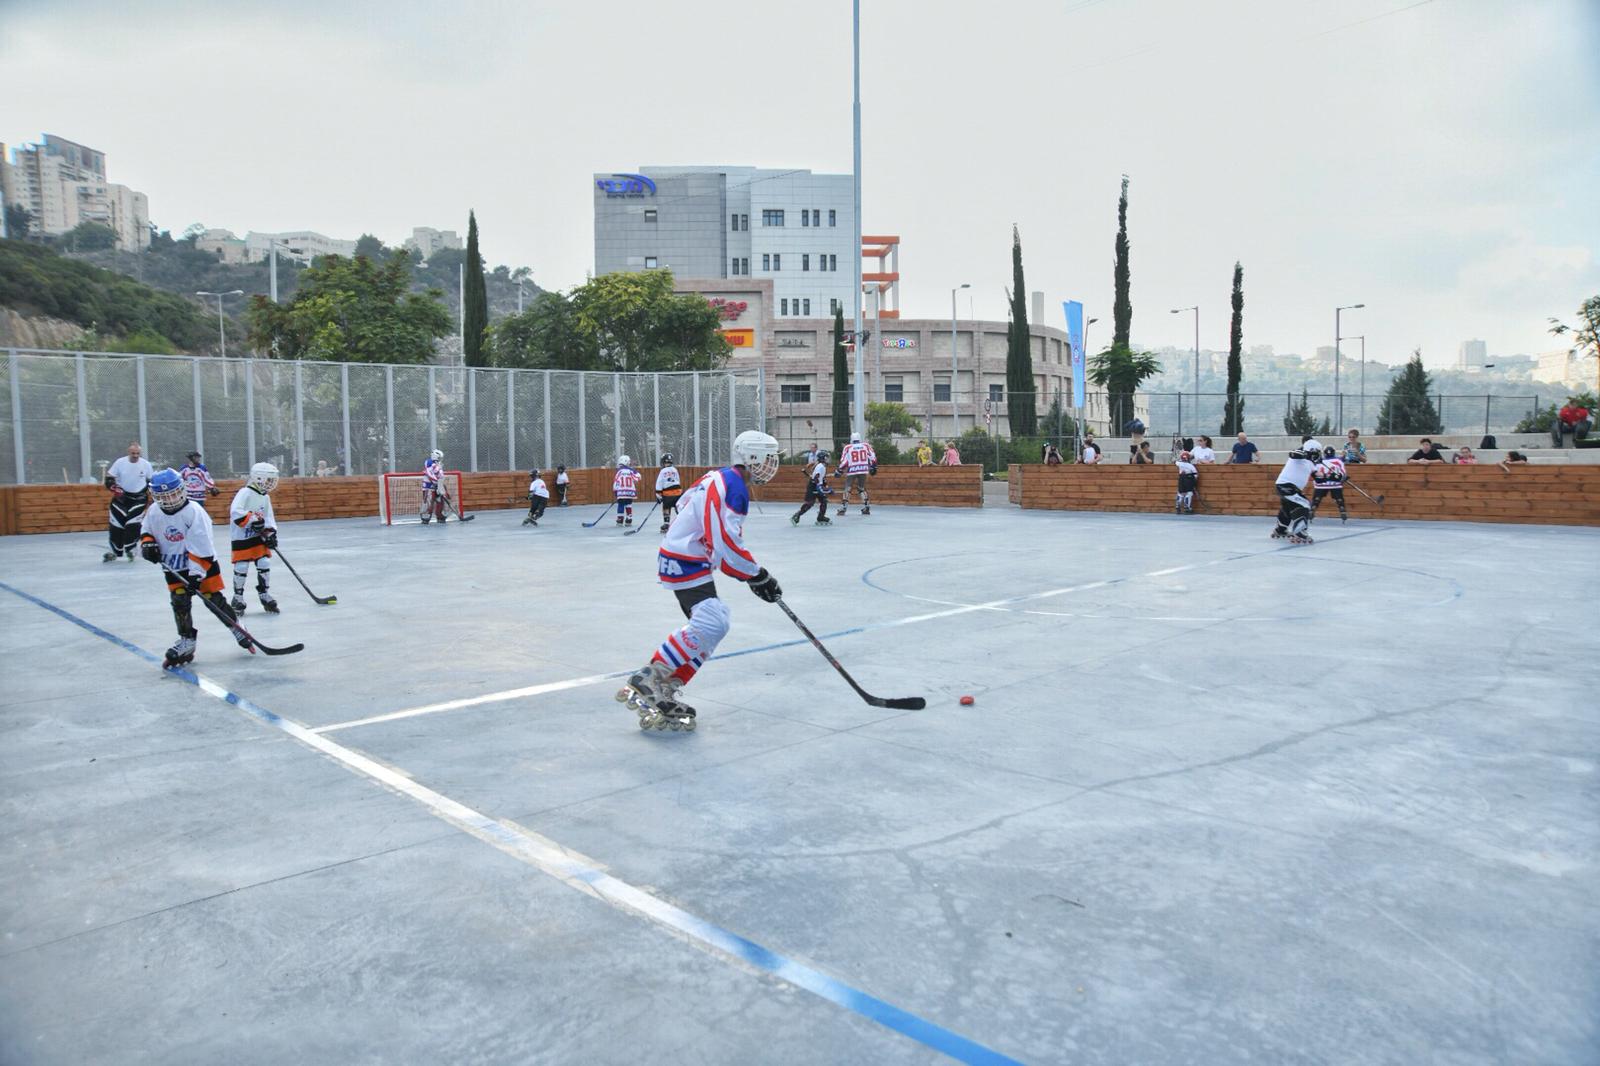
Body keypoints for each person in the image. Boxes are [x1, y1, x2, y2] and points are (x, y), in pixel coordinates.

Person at [617, 430, 783, 732]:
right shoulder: (734, 487)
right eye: (769, 458)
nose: (772, 465)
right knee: (711, 622)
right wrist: (758, 575)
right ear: (752, 456)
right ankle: (650, 677)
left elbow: (689, 508)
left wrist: (749, 575)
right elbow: (727, 543)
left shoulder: (722, 478)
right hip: (684, 558)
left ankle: (667, 683)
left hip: (685, 555)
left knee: (716, 621)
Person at [139, 468, 246, 668]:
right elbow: (146, 530)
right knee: (179, 601)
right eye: (163, 496)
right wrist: (147, 543)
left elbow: (202, 545)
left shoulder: (194, 512)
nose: (169, 500)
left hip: (201, 564)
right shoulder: (153, 511)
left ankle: (236, 628)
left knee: (213, 600)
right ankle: (187, 640)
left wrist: (196, 575)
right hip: (173, 566)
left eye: (173, 494)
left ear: (182, 490)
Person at [229, 462, 280, 614]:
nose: (271, 483)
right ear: (258, 478)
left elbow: (268, 517)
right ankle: (237, 597)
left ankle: (264, 593)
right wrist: (252, 520)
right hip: (242, 537)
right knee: (241, 566)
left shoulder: (265, 497)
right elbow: (236, 512)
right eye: (268, 479)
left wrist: (271, 533)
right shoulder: (245, 492)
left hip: (258, 538)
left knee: (264, 562)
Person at [103, 441, 155, 562]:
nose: (135, 455)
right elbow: (109, 478)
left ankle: (131, 549)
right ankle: (114, 551)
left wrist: (154, 497)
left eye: (137, 453)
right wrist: (114, 487)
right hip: (121, 498)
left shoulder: (146, 464)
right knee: (116, 525)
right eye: (133, 453)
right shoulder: (120, 462)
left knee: (133, 524)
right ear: (128, 452)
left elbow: (151, 481)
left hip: (139, 498)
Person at [1271, 438, 1322, 545]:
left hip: (1289, 487)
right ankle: (1299, 532)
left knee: (1287, 507)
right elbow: (1293, 454)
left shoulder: (1311, 464)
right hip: (1286, 486)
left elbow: (1319, 478)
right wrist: (1307, 454)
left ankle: (1281, 529)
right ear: (1312, 451)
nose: (1319, 455)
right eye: (1317, 452)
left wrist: (1335, 477)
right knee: (1304, 504)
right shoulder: (1298, 456)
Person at [836, 431, 877, 516]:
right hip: (863, 469)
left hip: (852, 470)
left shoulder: (848, 447)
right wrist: (873, 466)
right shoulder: (866, 445)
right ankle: (866, 506)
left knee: (848, 487)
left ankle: (844, 507)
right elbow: (872, 457)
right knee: (861, 488)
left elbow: (845, 461)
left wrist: (839, 470)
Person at [791, 448, 833, 526]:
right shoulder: (820, 466)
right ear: (823, 458)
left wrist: (826, 486)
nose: (828, 460)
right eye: (826, 458)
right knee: (809, 503)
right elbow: (816, 478)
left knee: (824, 501)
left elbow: (821, 478)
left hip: (817, 485)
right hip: (813, 486)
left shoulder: (822, 466)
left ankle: (821, 517)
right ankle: (797, 516)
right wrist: (821, 488)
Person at [1310, 446, 1348, 522]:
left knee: (1317, 498)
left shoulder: (1318, 461)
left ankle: (1313, 507)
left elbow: (1314, 473)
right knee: (1339, 498)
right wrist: (1342, 478)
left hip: (1321, 484)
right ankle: (1341, 508)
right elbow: (1343, 473)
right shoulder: (1338, 461)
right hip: (1335, 484)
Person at [655, 453, 683, 533]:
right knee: (678, 507)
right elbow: (678, 480)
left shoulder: (663, 471)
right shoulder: (675, 470)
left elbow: (659, 483)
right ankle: (682, 523)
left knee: (666, 507)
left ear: (663, 462)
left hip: (668, 493)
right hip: (678, 492)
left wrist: (658, 495)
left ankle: (666, 524)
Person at [420, 449, 449, 523]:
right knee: (429, 501)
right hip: (428, 485)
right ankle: (426, 516)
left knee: (440, 500)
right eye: (439, 457)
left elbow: (440, 475)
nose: (440, 459)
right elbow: (430, 474)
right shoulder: (429, 462)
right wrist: (436, 482)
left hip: (436, 484)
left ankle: (439, 516)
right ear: (435, 456)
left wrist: (440, 484)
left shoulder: (438, 464)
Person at [612, 454, 640, 526]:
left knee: (620, 505)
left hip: (621, 492)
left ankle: (620, 519)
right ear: (627, 462)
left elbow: (616, 482)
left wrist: (615, 491)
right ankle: (629, 518)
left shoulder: (619, 472)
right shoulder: (631, 471)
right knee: (628, 504)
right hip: (630, 492)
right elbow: (638, 477)